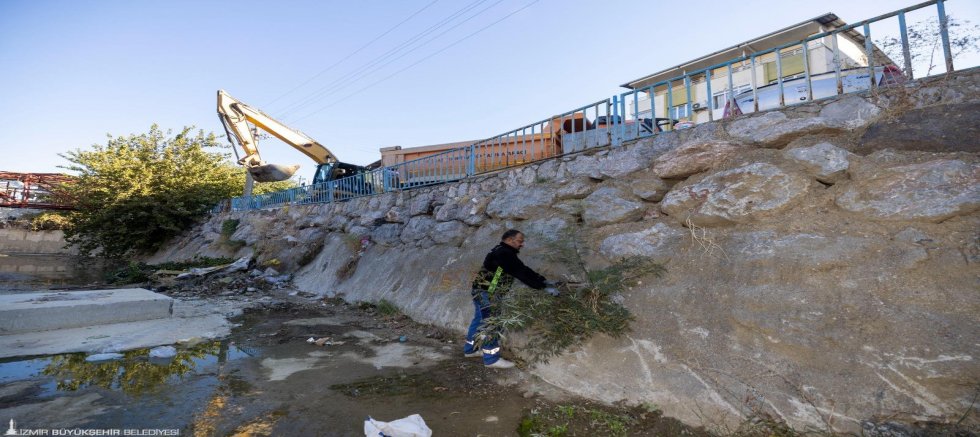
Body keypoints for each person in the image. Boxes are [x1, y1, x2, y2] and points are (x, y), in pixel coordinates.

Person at [464, 229, 559, 368]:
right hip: (489, 293)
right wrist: (542, 286)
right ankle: (491, 359)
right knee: (493, 323)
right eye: (520, 241)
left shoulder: (501, 251)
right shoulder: (504, 253)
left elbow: (521, 268)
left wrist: (543, 280)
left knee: (479, 320)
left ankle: (470, 350)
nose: (522, 244)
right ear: (509, 240)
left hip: (481, 290)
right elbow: (520, 272)